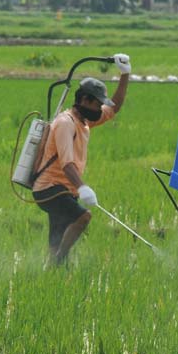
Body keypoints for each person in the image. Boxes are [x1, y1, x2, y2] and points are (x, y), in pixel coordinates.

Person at [32, 54, 131, 265]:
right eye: (97, 104)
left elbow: (114, 108)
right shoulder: (66, 123)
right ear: (85, 100)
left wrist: (125, 74)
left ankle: (53, 269)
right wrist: (83, 187)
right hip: (49, 188)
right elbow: (67, 164)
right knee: (83, 217)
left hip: (64, 190)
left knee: (56, 239)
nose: (100, 109)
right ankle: (60, 262)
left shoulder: (84, 121)